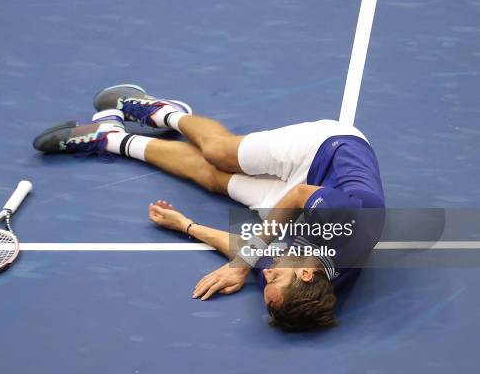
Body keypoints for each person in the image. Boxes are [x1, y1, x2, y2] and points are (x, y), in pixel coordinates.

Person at [34, 84, 386, 331]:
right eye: (274, 277)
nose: (266, 273)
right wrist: (240, 266)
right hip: (325, 150)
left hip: (303, 203)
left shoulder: (308, 288)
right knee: (220, 153)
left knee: (213, 179)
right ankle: (166, 113)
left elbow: (253, 255)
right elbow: (296, 199)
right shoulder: (350, 224)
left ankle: (110, 137)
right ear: (306, 274)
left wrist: (187, 226)